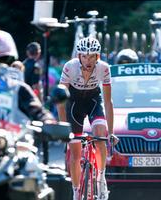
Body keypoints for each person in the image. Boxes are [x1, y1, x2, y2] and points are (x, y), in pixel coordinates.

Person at [57, 37, 114, 200]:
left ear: (97, 57)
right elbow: (61, 100)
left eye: (91, 56)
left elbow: (108, 102)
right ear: (79, 56)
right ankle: (76, 192)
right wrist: (63, 129)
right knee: (75, 153)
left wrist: (110, 132)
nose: (87, 60)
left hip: (93, 101)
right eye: (84, 56)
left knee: (100, 135)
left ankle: (101, 178)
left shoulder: (104, 68)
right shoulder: (70, 67)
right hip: (74, 103)